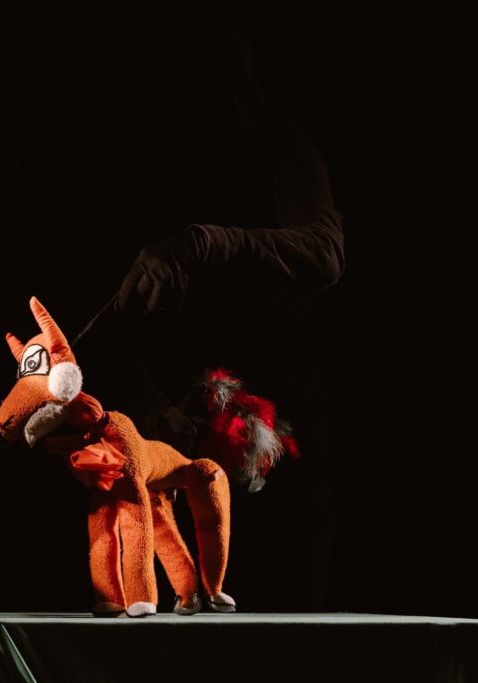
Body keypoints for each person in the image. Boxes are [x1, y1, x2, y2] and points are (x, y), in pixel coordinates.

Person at [80, 31, 345, 611]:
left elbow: (325, 253)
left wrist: (202, 246)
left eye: (228, 86)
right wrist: (154, 408)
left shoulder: (280, 144)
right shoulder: (149, 160)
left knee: (290, 613)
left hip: (279, 444)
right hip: (179, 448)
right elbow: (113, 325)